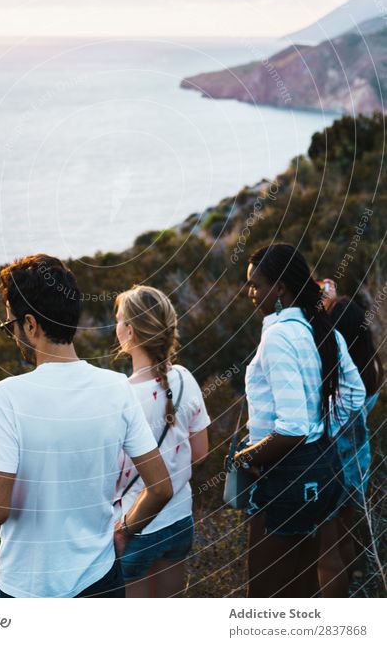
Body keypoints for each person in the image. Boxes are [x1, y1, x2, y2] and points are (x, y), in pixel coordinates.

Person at [0, 254, 173, 598]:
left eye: (11, 326)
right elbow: (161, 488)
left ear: (31, 325)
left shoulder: (7, 397)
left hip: (26, 588)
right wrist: (123, 532)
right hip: (99, 581)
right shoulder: (116, 388)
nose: (12, 335)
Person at [234, 243, 366, 598]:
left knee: (262, 600)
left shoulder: (280, 336)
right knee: (303, 590)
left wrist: (245, 457)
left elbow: (291, 429)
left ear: (279, 288)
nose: (251, 292)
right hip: (321, 468)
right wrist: (321, 427)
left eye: (256, 284)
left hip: (285, 476)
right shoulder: (319, 327)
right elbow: (354, 395)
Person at [113, 285, 210, 597]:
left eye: (118, 320)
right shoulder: (185, 377)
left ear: (129, 331)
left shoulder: (121, 397)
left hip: (134, 527)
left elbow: (109, 476)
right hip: (180, 518)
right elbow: (200, 452)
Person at [326, 296, 384, 588]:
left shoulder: (342, 379)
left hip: (335, 466)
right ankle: (352, 588)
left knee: (328, 550)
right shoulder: (371, 366)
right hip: (356, 466)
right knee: (344, 535)